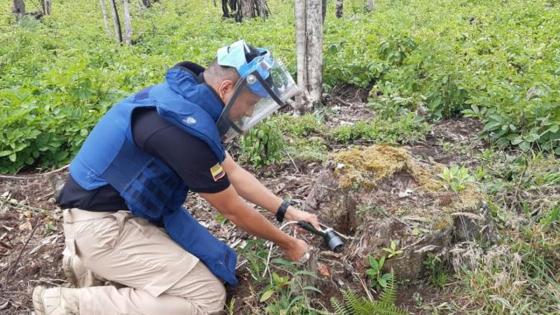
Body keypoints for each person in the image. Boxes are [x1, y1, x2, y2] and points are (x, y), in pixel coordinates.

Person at [32, 40, 321, 315]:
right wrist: (290, 244)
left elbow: (231, 171)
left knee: (215, 265)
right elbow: (233, 211)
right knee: (207, 297)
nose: (249, 111)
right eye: (250, 103)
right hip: (103, 229)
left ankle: (89, 265)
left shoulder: (183, 101)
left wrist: (287, 210)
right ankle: (67, 304)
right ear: (226, 88)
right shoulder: (182, 133)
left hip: (116, 214)